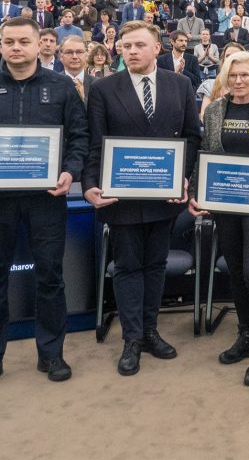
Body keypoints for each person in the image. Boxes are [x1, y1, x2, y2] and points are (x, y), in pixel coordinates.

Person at [0, 17, 88, 392]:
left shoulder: (61, 87)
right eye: (9, 41)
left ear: (42, 44)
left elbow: (79, 137)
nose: (16, 48)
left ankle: (51, 353)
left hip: (47, 201)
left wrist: (71, 172)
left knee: (50, 278)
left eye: (24, 41)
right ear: (1, 45)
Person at [83, 21, 202, 376]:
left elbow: (193, 137)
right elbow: (95, 143)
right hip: (121, 197)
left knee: (155, 265)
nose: (131, 51)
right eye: (125, 45)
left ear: (157, 49)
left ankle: (150, 331)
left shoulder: (181, 85)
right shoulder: (104, 89)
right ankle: (131, 339)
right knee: (128, 267)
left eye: (138, 45)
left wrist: (182, 176)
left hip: (163, 198)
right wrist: (91, 183)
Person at [188, 51, 249, 386]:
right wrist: (195, 192)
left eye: (245, 75)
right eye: (233, 76)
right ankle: (245, 336)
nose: (239, 81)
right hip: (224, 201)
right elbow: (206, 152)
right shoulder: (215, 110)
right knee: (235, 271)